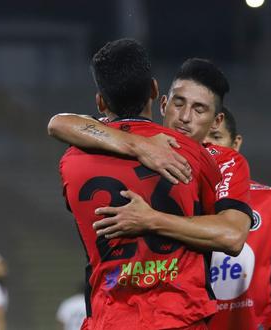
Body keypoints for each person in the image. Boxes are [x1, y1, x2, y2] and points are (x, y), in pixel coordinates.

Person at [57, 39, 250, 329]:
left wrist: (150, 219)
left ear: (100, 101)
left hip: (110, 317)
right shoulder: (197, 158)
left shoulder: (72, 158)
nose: (185, 118)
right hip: (179, 317)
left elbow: (59, 123)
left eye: (199, 109)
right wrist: (139, 145)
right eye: (179, 103)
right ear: (158, 95)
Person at [204, 107, 271, 330]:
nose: (209, 148)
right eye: (201, 140)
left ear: (235, 144)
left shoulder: (270, 200)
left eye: (216, 137)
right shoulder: (179, 202)